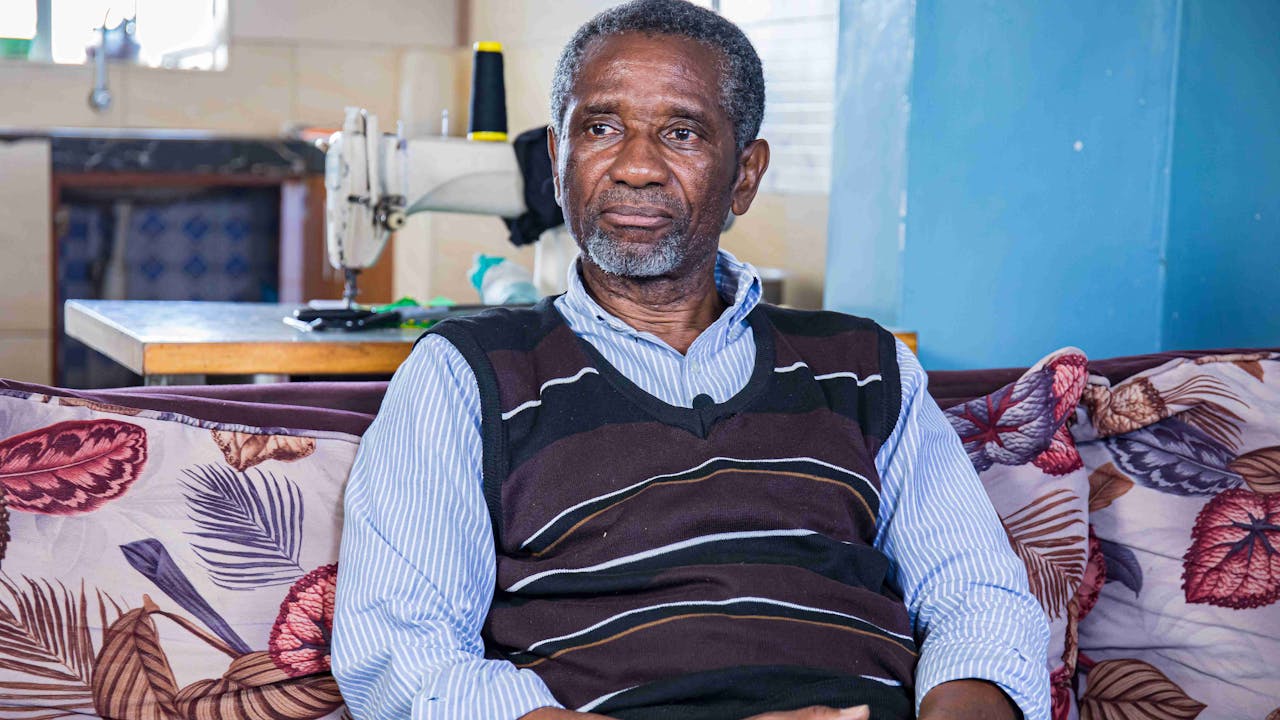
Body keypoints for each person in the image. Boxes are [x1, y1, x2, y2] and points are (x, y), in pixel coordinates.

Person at [331, 1, 1049, 718]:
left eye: (682, 133)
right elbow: (403, 651)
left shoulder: (866, 366)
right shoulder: (466, 374)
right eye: (601, 128)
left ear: (745, 174)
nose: (637, 167)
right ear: (556, 159)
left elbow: (977, 601)